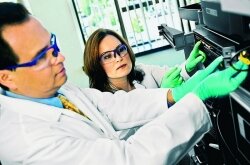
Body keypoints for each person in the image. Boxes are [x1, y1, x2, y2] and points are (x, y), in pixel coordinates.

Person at [0, 2, 248, 165]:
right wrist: (197, 96)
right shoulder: (26, 142)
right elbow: (130, 159)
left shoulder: (58, 89)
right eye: (43, 56)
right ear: (6, 76)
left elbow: (114, 106)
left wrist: (178, 92)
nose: (60, 57)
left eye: (52, 44)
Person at [83, 28, 206, 92]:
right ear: (96, 64)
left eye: (121, 49)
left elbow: (173, 75)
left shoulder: (143, 71)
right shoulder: (104, 101)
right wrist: (163, 95)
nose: (119, 58)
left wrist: (187, 66)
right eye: (107, 56)